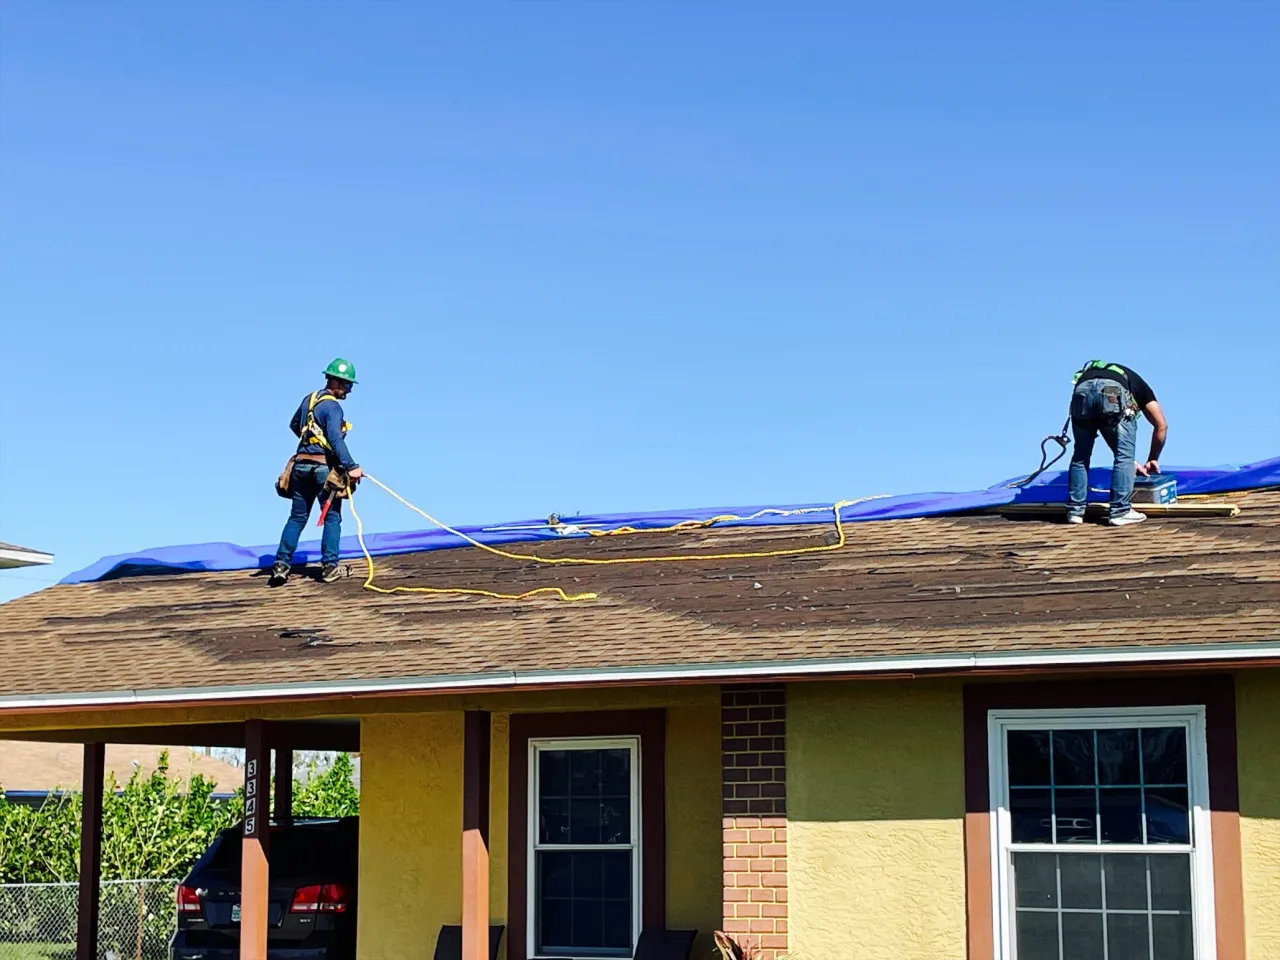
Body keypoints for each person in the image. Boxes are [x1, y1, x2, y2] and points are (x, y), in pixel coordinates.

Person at [270, 359, 364, 584]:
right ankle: (330, 567)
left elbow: (294, 425)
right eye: (347, 386)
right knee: (332, 517)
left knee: (297, 517)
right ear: (336, 382)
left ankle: (281, 565)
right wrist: (352, 467)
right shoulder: (332, 407)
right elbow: (334, 439)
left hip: (300, 466)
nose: (348, 391)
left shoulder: (309, 400)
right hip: (322, 468)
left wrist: (310, 444)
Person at [1067, 360, 1167, 527]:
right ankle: (1120, 511)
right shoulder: (1142, 389)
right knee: (1124, 456)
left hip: (1081, 390)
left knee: (1081, 455)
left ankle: (1075, 511)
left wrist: (1132, 463)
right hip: (1111, 389)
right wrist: (1152, 458)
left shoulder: (1101, 373)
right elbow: (1161, 425)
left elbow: (1107, 428)